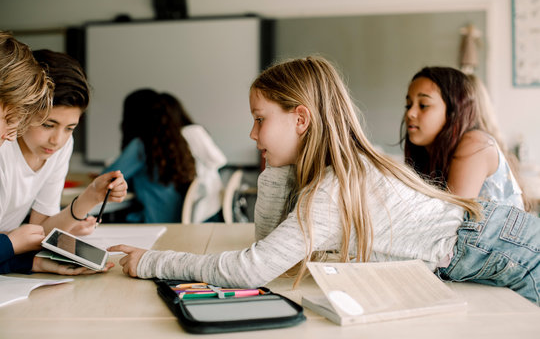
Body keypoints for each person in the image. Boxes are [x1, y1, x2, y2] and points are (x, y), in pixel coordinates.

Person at [110, 57, 539, 305]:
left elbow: (252, 268)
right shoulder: (330, 177)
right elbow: (270, 245)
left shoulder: (334, 187)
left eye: (260, 120)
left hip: (504, 243)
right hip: (486, 245)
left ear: (301, 119)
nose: (252, 134)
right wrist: (276, 164)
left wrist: (151, 261)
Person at [0, 49, 126, 274]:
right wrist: (18, 251)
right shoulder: (4, 146)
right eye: (48, 125)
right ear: (23, 110)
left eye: (70, 128)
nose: (57, 140)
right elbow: (21, 241)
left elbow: (38, 233)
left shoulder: (59, 146)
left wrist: (91, 197)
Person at [401, 66, 527, 210]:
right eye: (408, 105)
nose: (410, 113)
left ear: (453, 112)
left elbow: (451, 221)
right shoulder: (426, 154)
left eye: (423, 105)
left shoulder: (476, 144)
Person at [104, 89, 226, 223]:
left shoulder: (141, 146)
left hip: (155, 222)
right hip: (176, 221)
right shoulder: (175, 145)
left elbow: (105, 178)